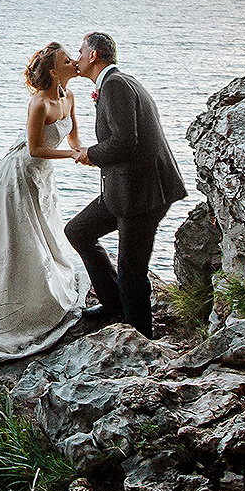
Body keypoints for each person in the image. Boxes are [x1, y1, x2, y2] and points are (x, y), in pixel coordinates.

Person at [0, 42, 89, 361]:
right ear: (54, 71)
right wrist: (71, 155)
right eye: (66, 60)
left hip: (43, 176)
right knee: (19, 235)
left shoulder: (69, 97)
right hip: (22, 174)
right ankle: (12, 303)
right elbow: (35, 149)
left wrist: (86, 153)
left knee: (44, 228)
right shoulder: (39, 103)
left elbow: (73, 138)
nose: (72, 61)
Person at [64, 31, 186, 339]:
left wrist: (89, 154)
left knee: (131, 270)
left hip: (142, 194)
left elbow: (124, 143)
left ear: (93, 56)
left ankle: (140, 336)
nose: (76, 58)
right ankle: (114, 303)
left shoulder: (116, 85)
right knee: (78, 231)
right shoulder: (117, 83)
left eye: (80, 52)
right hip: (123, 190)